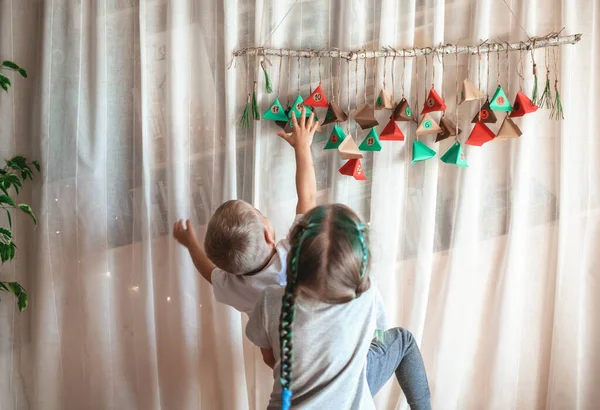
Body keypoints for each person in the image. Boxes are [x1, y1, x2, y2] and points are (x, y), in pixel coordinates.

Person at [245, 204, 432, 410]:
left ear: (293, 256)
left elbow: (269, 358)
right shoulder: (367, 293)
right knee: (402, 340)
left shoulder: (269, 300)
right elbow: (378, 334)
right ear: (360, 263)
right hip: (351, 401)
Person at [172, 108, 319, 314]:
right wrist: (302, 146)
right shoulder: (294, 255)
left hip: (286, 347)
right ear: (268, 235)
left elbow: (207, 270)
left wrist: (190, 243)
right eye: (259, 212)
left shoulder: (234, 286)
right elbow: (308, 196)